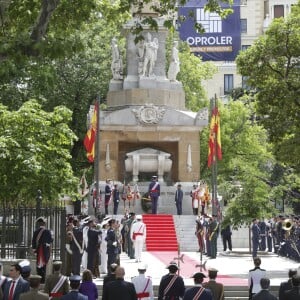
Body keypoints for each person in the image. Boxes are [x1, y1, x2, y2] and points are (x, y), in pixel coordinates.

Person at [31, 216, 53, 283]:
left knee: (38, 266)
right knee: (44, 266)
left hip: (38, 250)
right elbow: (51, 240)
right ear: (44, 223)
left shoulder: (36, 231)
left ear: (39, 224)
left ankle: (38, 280)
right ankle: (43, 281)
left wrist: (34, 250)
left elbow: (33, 241)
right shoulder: (48, 231)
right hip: (45, 251)